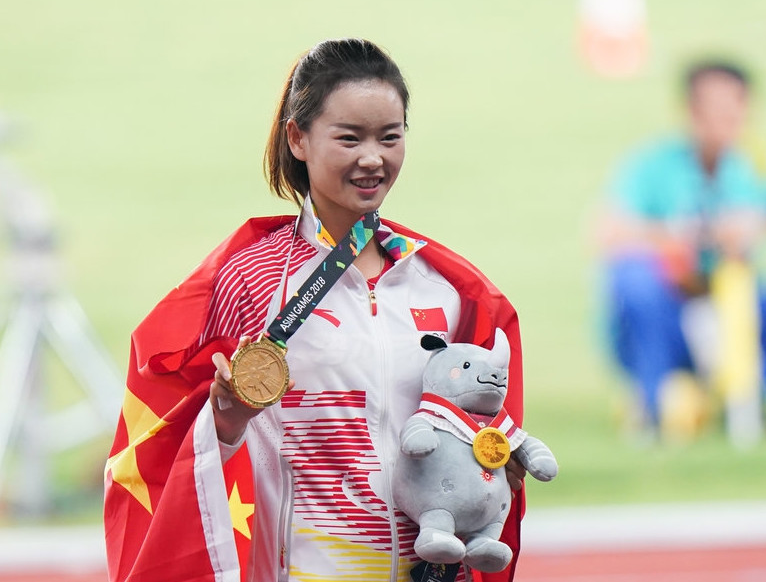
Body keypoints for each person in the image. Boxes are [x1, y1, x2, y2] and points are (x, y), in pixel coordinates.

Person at [104, 39, 528, 582]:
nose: (373, 158)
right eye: (349, 138)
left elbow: (470, 419)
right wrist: (228, 424)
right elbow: (182, 428)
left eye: (390, 137)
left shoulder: (441, 286)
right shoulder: (252, 280)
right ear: (298, 138)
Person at [600, 59, 766, 437]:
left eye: (733, 110)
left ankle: (761, 391)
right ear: (690, 111)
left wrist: (763, 221)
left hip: (742, 313)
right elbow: (608, 234)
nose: (723, 120)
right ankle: (653, 399)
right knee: (628, 274)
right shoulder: (653, 165)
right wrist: (684, 236)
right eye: (711, 110)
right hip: (672, 308)